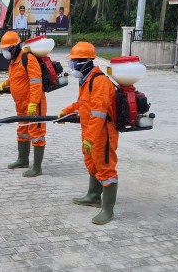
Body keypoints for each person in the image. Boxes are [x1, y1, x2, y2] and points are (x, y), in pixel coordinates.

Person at [57, 42, 119, 225]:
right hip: (90, 131)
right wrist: (65, 111)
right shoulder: (86, 79)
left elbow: (99, 114)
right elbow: (81, 103)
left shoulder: (99, 81)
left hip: (102, 133)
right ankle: (93, 196)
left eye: (74, 62)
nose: (72, 66)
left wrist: (90, 139)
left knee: (105, 168)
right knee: (92, 163)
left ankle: (108, 210)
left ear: (85, 62)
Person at [0, 31, 47, 177]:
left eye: (6, 49)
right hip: (20, 104)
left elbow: (36, 82)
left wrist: (33, 103)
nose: (5, 52)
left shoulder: (28, 58)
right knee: (23, 131)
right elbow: (15, 79)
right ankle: (22, 159)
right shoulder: (13, 61)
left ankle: (37, 167)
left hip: (34, 104)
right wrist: (4, 84)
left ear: (14, 47)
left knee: (37, 134)